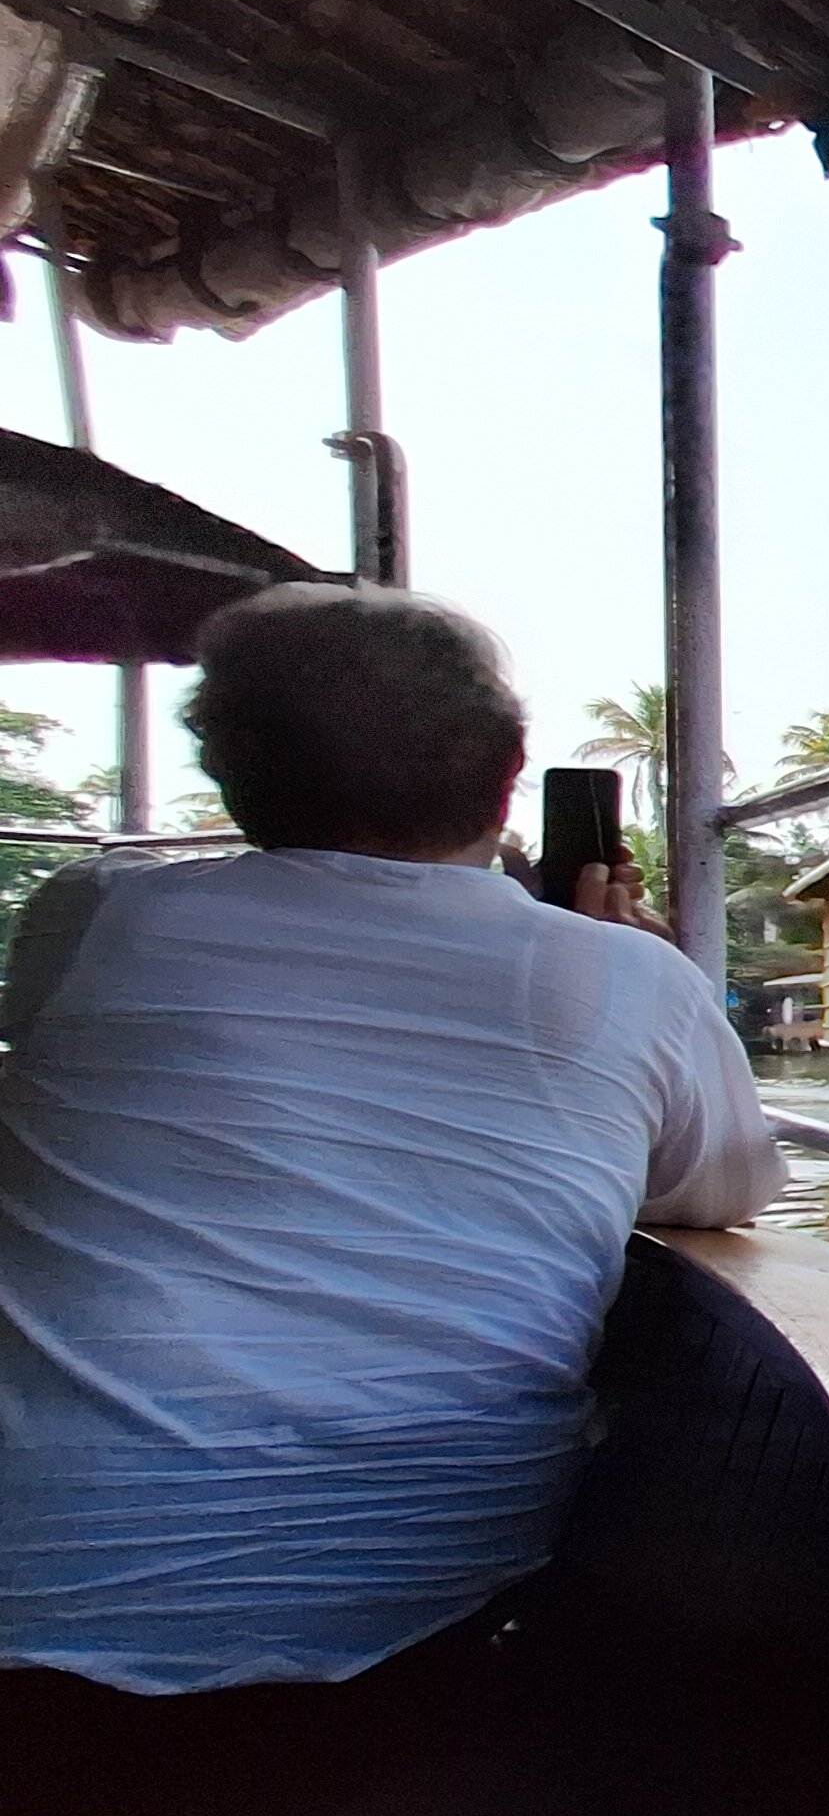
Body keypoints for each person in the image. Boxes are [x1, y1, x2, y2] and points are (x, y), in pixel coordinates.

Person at [0, 584, 781, 1691]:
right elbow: (717, 1193)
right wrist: (612, 974)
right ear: (511, 768)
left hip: (29, 1602)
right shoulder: (630, 976)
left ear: (226, 769)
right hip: (425, 1623)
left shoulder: (97, 911)